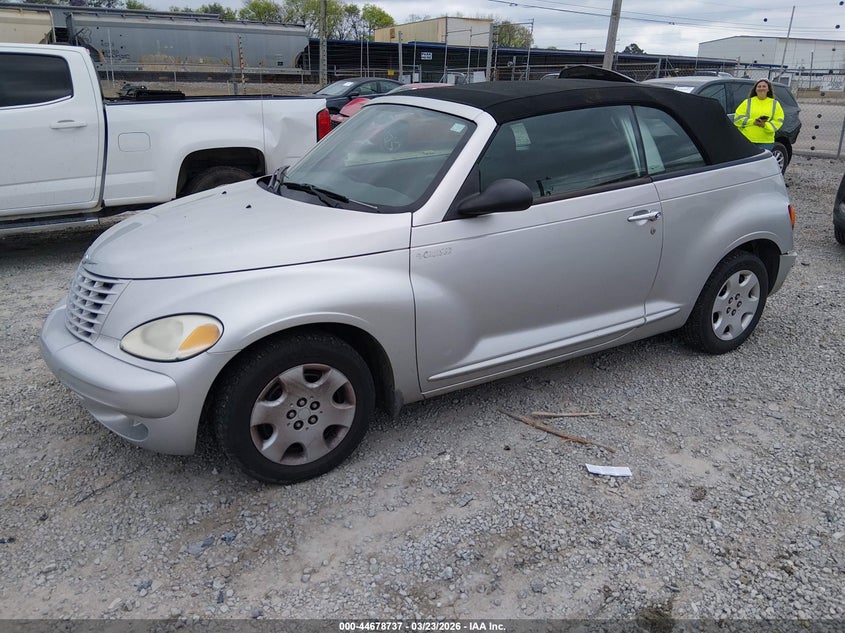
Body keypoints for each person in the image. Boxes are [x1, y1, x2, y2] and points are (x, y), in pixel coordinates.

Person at [733, 79, 785, 151]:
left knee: (762, 162)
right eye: (759, 86)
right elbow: (737, 119)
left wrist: (765, 125)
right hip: (747, 139)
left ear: (768, 89)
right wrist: (753, 122)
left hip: (766, 141)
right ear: (755, 89)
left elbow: (778, 120)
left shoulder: (775, 104)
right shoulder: (747, 102)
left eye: (764, 86)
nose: (761, 88)